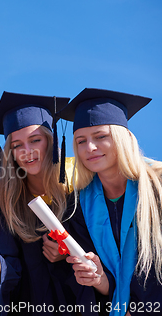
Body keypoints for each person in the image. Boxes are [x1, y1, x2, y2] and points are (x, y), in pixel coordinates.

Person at [0, 92, 89, 315]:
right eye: (17, 145)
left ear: (51, 140)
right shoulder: (5, 206)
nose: (27, 152)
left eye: (35, 140)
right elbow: (8, 272)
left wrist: (70, 252)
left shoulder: (79, 183)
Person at [59, 89, 162, 316]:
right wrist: (98, 279)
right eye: (81, 141)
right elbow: (104, 289)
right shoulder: (77, 207)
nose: (90, 148)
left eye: (100, 136)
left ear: (121, 138)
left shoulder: (157, 187)